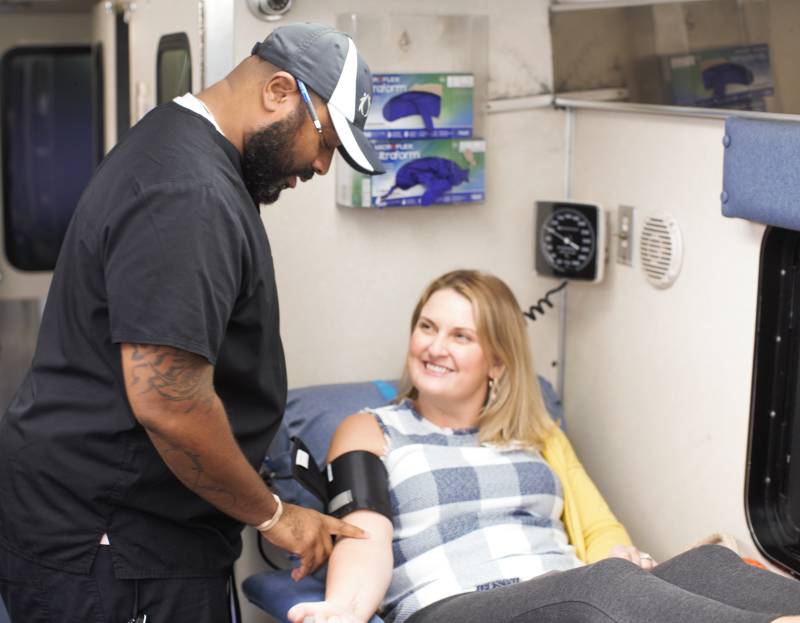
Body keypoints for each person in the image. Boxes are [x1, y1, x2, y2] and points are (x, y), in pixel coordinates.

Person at [0, 22, 384, 623]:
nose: (318, 165)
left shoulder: (176, 141)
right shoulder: (190, 191)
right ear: (280, 91)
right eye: (326, 141)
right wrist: (275, 517)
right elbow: (168, 400)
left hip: (135, 530)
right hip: (114, 543)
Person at [287, 269, 800, 623]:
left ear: (497, 363)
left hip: (562, 598)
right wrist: (346, 609)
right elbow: (362, 536)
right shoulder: (370, 428)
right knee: (601, 586)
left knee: (705, 565)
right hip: (453, 606)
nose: (434, 347)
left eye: (461, 336)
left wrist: (619, 556)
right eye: (427, 327)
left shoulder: (536, 434)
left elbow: (597, 528)